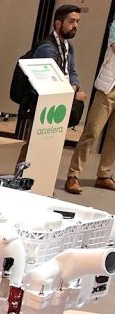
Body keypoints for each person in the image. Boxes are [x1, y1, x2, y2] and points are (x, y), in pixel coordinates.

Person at [65, 18, 115, 194]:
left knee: (114, 136)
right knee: (92, 131)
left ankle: (104, 175)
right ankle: (73, 175)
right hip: (108, 88)